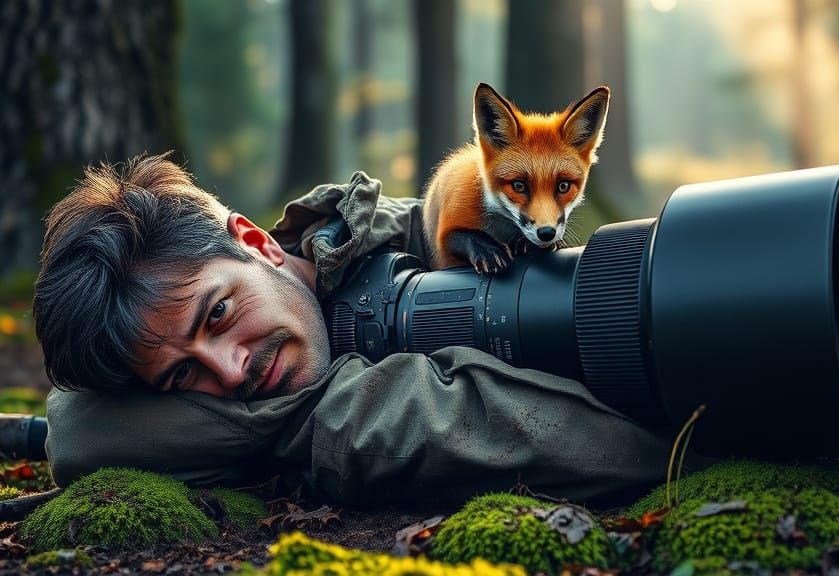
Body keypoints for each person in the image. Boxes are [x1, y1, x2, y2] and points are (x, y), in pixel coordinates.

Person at [34, 153, 672, 505]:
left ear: (257, 242)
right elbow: (81, 430)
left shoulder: (419, 236)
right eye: (182, 376)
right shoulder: (264, 384)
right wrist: (314, 421)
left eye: (219, 313)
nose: (230, 372)